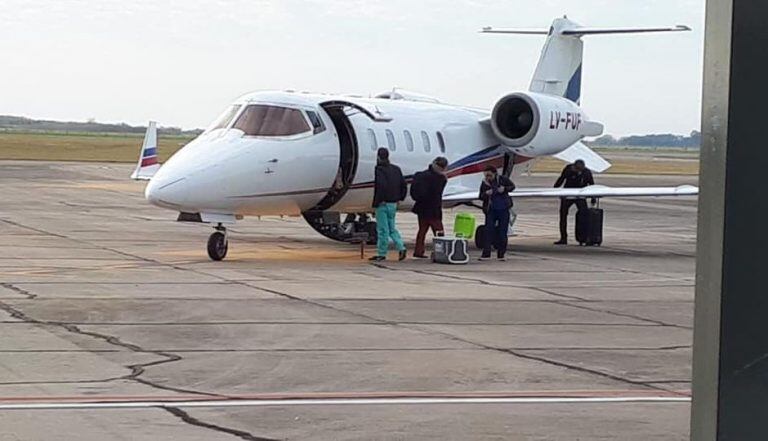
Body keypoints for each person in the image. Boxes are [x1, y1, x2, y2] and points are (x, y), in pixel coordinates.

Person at [370, 148, 408, 262]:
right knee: (392, 229)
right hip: (393, 204)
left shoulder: (379, 169)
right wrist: (400, 198)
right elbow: (403, 185)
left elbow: (381, 186)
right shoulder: (396, 169)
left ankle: (381, 253)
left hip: (383, 204)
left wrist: (376, 202)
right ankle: (401, 247)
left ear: (378, 157)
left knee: (382, 230)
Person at [410, 157, 449, 258]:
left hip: (421, 208)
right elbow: (438, 192)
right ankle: (441, 252)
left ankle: (418, 251)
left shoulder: (420, 175)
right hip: (433, 210)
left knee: (422, 231)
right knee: (439, 232)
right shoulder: (439, 179)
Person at [553, 159, 595, 245]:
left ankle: (585, 237)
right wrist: (554, 189)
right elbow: (561, 178)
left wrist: (593, 197)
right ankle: (563, 238)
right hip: (567, 195)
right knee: (563, 216)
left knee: (585, 216)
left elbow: (591, 184)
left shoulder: (586, 172)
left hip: (580, 196)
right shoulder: (568, 169)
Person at [479, 165, 515, 261]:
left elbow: (512, 186)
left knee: (502, 232)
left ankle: (501, 254)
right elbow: (480, 196)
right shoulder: (484, 183)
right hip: (491, 210)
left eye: (489, 175)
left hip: (503, 209)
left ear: (494, 174)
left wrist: (504, 189)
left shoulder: (503, 179)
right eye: (486, 175)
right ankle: (486, 254)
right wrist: (486, 194)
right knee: (488, 231)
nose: (488, 177)